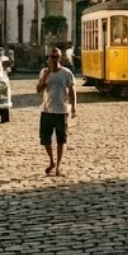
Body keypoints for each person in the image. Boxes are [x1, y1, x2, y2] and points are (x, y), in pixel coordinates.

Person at [37, 47, 77, 177]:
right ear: (48, 58)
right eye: (51, 57)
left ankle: (58, 166)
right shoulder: (44, 72)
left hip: (61, 111)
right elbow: (38, 89)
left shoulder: (66, 73)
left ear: (60, 58)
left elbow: (72, 91)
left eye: (56, 57)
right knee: (45, 139)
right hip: (47, 110)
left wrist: (74, 107)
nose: (54, 60)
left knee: (61, 139)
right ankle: (51, 161)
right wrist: (47, 74)